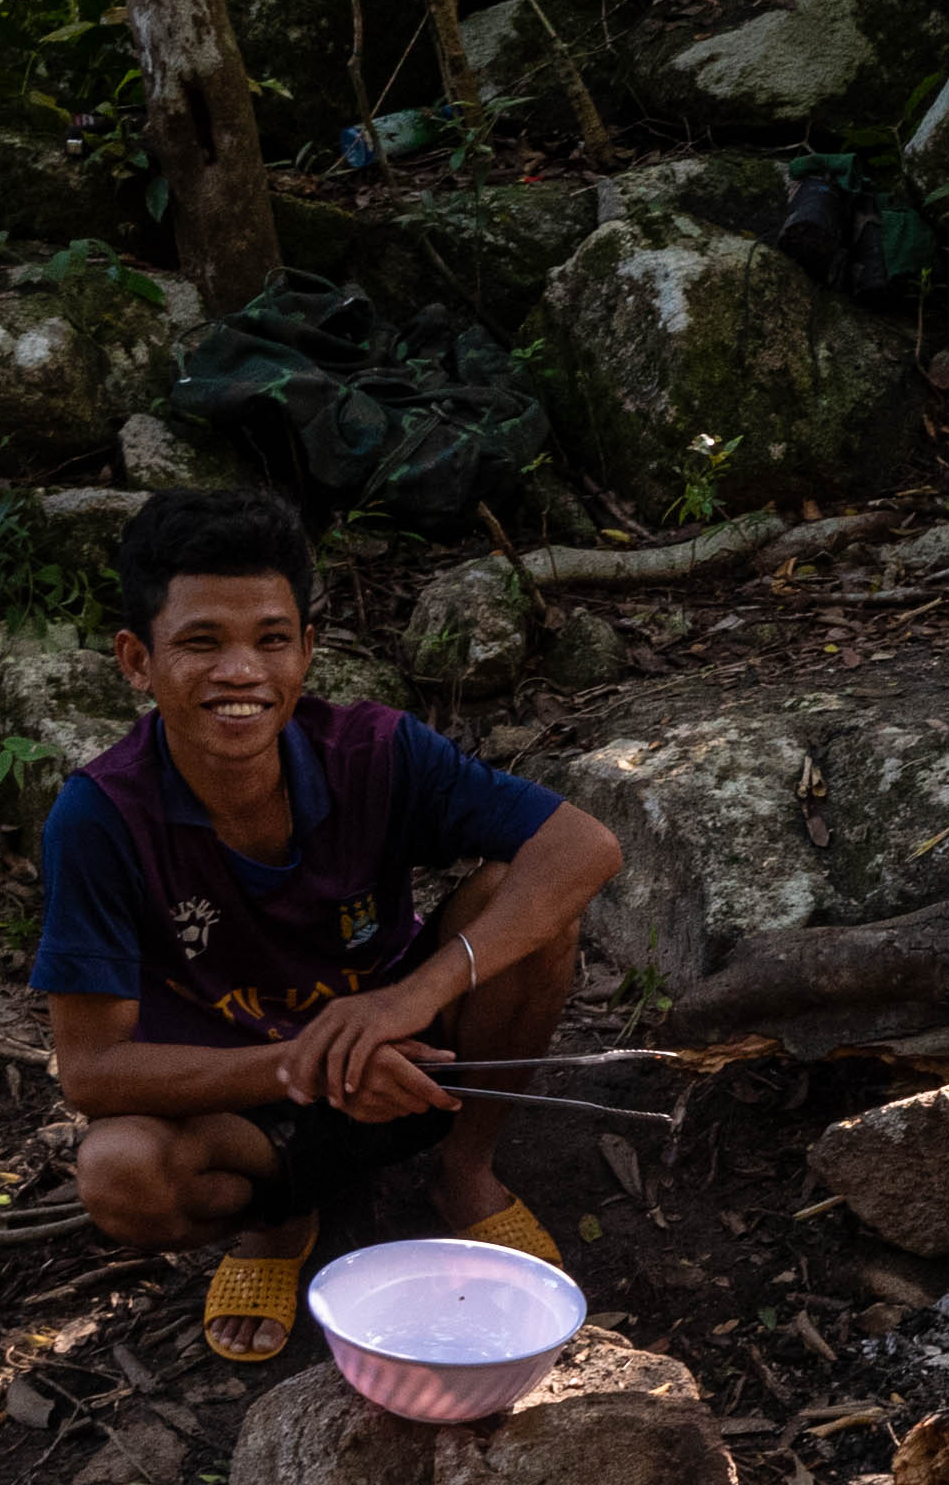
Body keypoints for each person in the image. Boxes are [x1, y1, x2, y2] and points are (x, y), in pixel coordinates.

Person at [34, 484, 627, 1360]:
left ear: (307, 650)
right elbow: (91, 1072)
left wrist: (411, 999)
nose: (242, 672)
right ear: (136, 660)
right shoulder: (99, 818)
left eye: (271, 640)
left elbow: (584, 847)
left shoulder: (374, 750)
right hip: (242, 1099)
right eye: (201, 642)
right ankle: (278, 1220)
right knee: (121, 1174)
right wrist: (312, 1060)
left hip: (414, 1063)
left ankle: (463, 1169)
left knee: (527, 901)